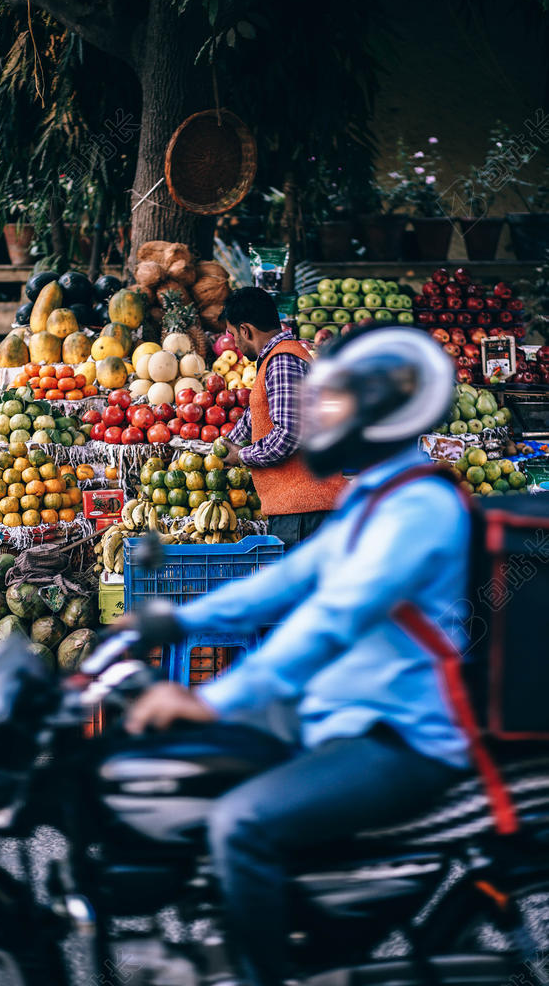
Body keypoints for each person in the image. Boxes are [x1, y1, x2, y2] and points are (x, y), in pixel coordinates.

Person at [124, 326, 475, 986]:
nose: (321, 416)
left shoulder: (419, 508)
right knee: (199, 773)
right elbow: (283, 581)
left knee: (240, 823)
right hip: (340, 711)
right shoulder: (372, 497)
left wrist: (209, 698)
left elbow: (326, 620)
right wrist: (173, 617)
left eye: (339, 402)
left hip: (397, 734)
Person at [220, 286, 346, 549]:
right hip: (300, 510)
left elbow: (288, 433)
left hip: (305, 512)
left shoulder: (282, 361)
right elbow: (257, 413)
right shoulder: (276, 360)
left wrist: (240, 456)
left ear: (246, 330)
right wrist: (225, 446)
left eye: (233, 335)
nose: (236, 345)